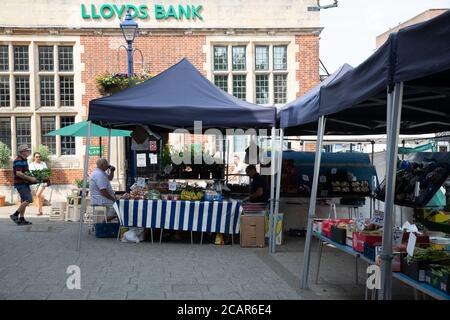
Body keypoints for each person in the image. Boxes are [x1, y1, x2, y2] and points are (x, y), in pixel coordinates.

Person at [10, 145, 38, 225]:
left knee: (23, 201)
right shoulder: (18, 160)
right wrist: (30, 178)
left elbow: (24, 173)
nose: (28, 151)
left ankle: (21, 219)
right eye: (27, 150)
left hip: (24, 183)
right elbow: (18, 173)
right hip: (21, 184)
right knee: (29, 200)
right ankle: (15, 215)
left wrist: (32, 178)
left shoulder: (24, 160)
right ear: (22, 152)